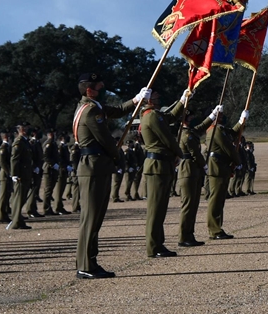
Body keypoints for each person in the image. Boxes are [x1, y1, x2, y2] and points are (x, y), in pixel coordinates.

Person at [73, 72, 150, 279]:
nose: (103, 90)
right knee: (91, 218)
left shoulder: (92, 107)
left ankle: (86, 261)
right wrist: (119, 157)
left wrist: (135, 100)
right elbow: (106, 140)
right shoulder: (91, 112)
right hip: (94, 167)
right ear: (89, 90)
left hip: (96, 167)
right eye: (100, 87)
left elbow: (116, 111)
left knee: (93, 218)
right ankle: (86, 265)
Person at [139, 88, 188, 258]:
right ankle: (153, 246)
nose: (158, 95)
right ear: (147, 100)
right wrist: (180, 154)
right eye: (154, 94)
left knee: (160, 209)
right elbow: (167, 137)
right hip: (157, 165)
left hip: (162, 164)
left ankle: (158, 243)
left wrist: (183, 100)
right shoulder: (151, 115)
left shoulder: (155, 114)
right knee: (156, 209)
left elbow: (171, 117)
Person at [177, 104, 219, 247]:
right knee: (188, 206)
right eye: (191, 117)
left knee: (194, 205)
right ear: (186, 118)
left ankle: (190, 234)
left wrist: (212, 115)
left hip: (193, 171)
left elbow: (200, 127)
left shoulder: (190, 131)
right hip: (188, 170)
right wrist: (204, 165)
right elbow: (194, 152)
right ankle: (183, 236)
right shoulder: (185, 134)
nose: (193, 119)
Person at [205, 109, 247, 240]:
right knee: (215, 199)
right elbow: (228, 147)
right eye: (219, 115)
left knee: (220, 199)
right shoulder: (215, 130)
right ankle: (214, 230)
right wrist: (237, 161)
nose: (222, 117)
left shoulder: (221, 129)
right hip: (217, 166)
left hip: (222, 166)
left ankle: (217, 228)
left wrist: (241, 121)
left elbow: (232, 133)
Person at [7, 124, 35, 231]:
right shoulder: (18, 142)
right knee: (18, 198)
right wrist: (14, 174)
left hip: (25, 173)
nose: (27, 130)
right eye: (25, 129)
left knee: (22, 198)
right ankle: (15, 222)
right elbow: (14, 159)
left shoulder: (25, 141)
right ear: (20, 130)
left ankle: (19, 220)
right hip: (21, 175)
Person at [42, 130, 61, 216]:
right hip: (49, 169)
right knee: (48, 190)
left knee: (50, 190)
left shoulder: (53, 143)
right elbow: (45, 156)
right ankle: (46, 209)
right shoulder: (49, 143)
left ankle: (48, 208)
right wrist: (53, 164)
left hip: (52, 169)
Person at [0, 131, 13, 224]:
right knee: (3, 196)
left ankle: (5, 214)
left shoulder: (8, 147)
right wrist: (9, 172)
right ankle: (1, 216)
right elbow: (1, 162)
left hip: (8, 174)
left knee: (7, 196)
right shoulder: (3, 147)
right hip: (4, 175)